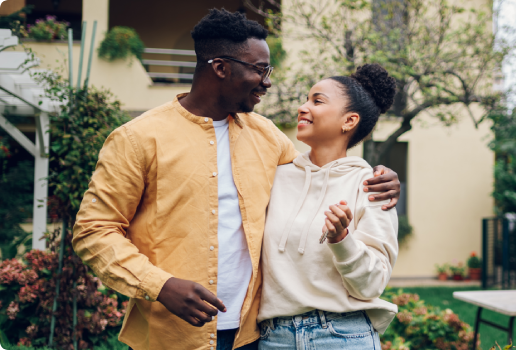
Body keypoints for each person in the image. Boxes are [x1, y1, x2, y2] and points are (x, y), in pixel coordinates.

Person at [71, 9, 401, 350]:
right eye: (259, 70)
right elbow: (94, 231)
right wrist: (161, 285)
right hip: (171, 336)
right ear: (221, 68)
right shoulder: (137, 139)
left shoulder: (268, 138)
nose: (268, 81)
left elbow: (321, 171)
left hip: (255, 337)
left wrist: (379, 176)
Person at [257, 64, 399, 349]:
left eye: (317, 101)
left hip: (343, 336)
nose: (302, 107)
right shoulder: (274, 176)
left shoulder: (371, 186)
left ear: (349, 121)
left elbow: (372, 285)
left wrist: (342, 240)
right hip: (275, 338)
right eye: (306, 99)